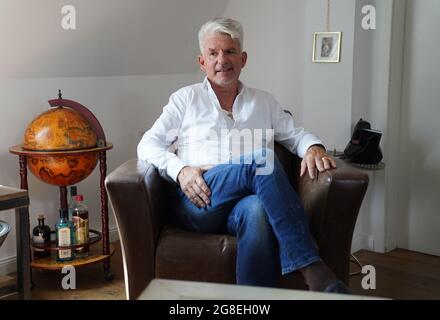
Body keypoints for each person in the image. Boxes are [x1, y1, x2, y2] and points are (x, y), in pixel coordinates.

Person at [137, 17, 350, 293]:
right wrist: (181, 170)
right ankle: (312, 270)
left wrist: (313, 147)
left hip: (245, 203)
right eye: (213, 53)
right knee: (262, 159)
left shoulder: (264, 102)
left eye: (230, 51)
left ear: (243, 58)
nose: (221, 60)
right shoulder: (185, 99)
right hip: (200, 199)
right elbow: (147, 144)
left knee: (257, 210)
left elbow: (296, 135)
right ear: (202, 62)